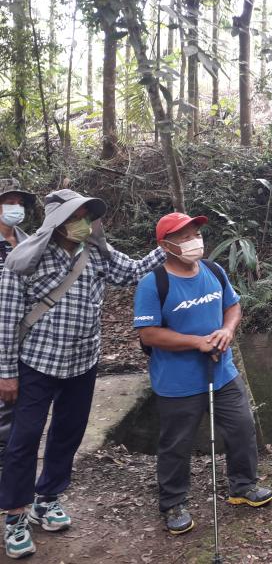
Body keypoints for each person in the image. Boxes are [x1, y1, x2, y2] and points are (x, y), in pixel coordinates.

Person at [0, 189, 167, 560]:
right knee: (24, 439)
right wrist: (6, 373)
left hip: (83, 363)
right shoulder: (24, 259)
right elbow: (7, 320)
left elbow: (133, 271)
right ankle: (14, 516)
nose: (85, 222)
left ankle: (48, 499)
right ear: (58, 222)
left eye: (89, 215)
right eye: (78, 215)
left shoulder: (96, 256)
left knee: (67, 434)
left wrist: (169, 245)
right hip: (36, 362)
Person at [133, 212, 272, 536]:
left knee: (241, 427)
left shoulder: (213, 270)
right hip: (177, 382)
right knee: (176, 443)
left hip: (221, 371)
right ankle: (173, 503)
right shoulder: (154, 283)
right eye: (184, 236)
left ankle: (243, 486)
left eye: (195, 233)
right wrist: (197, 342)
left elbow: (233, 306)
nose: (194, 240)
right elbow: (148, 334)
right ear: (166, 245)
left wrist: (226, 330)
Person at [0, 179, 36, 474]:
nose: (16, 208)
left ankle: (11, 482)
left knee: (15, 414)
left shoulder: (29, 244)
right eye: (9, 202)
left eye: (20, 203)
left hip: (23, 339)